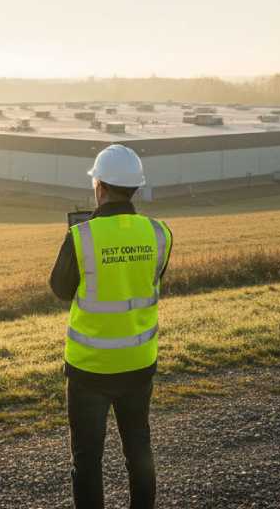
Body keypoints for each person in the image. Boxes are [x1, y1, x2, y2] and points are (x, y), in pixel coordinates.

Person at [50, 144, 173, 509]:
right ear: (135, 188)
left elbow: (60, 290)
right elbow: (151, 278)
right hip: (138, 363)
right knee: (139, 450)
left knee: (87, 460)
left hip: (90, 368)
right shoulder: (159, 233)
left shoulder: (82, 236)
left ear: (99, 187)